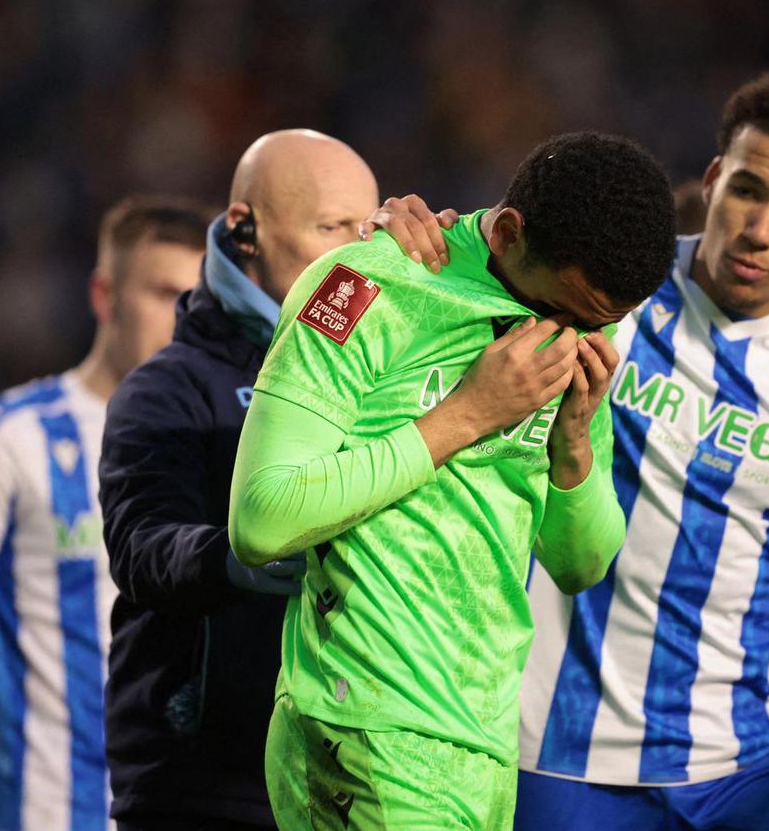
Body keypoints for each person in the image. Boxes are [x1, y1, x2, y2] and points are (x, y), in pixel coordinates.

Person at [370, 69, 769, 831]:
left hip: (752, 767)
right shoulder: (610, 288)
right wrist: (397, 237)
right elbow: (471, 264)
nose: (759, 228)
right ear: (716, 177)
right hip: (553, 752)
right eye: (749, 191)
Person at [228, 130, 676, 829]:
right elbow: (263, 517)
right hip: (364, 719)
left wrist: (574, 442)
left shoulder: (585, 327)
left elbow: (580, 563)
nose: (570, 334)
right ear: (508, 233)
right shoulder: (367, 287)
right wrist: (467, 415)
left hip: (485, 738)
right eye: (565, 308)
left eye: (599, 323)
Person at [98, 130, 385, 830]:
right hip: (206, 789)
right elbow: (142, 547)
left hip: (351, 781)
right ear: (244, 229)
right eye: (330, 228)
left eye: (367, 227)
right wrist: (235, 555)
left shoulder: (384, 381)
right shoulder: (167, 391)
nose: (358, 254)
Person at [0, 197, 209, 831]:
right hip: (44, 811)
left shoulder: (222, 446)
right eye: (161, 293)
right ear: (104, 296)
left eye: (194, 301)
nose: (179, 320)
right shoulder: (2, 439)